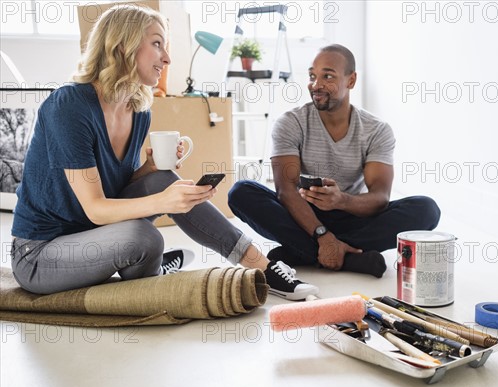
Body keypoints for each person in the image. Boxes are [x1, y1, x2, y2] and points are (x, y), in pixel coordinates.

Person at [9, 4, 318, 301]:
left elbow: (118, 187)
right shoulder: (70, 106)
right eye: (157, 44)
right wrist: (164, 201)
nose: (167, 58)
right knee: (144, 238)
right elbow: (95, 208)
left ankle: (261, 266)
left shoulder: (138, 110)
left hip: (95, 235)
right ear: (122, 46)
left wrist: (153, 167)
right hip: (41, 253)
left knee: (163, 178)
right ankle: (152, 267)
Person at [228, 44, 441, 277]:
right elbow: (286, 191)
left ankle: (304, 253)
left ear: (351, 81)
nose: (316, 85)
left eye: (327, 76)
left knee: (427, 209)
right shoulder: (290, 122)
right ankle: (349, 258)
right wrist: (323, 236)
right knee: (241, 191)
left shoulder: (376, 130)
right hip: (303, 218)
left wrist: (341, 201)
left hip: (354, 215)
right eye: (312, 76)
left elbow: (380, 198)